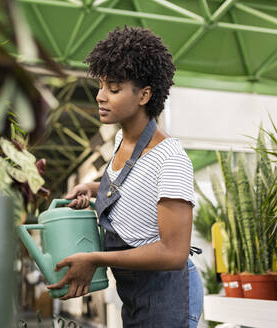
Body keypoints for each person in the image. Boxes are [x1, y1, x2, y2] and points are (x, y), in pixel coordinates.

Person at [47, 26, 203, 327]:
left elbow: (173, 252)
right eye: (101, 85)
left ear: (144, 94)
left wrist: (95, 259)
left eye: (114, 88)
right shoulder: (122, 141)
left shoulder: (170, 159)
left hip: (167, 292)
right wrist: (92, 189)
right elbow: (130, 187)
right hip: (133, 293)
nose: (100, 96)